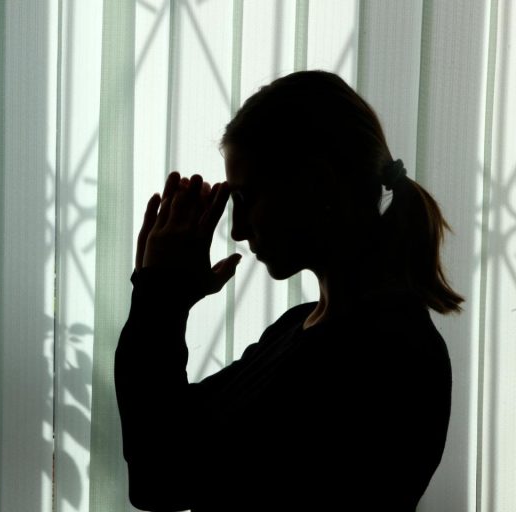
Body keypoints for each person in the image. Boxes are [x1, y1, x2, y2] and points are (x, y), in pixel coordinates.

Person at [114, 70, 464, 511]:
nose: (238, 230)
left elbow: (159, 475)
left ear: (317, 184)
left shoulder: (379, 355)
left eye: (246, 199)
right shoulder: (302, 328)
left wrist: (159, 298)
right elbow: (176, 436)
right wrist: (162, 296)